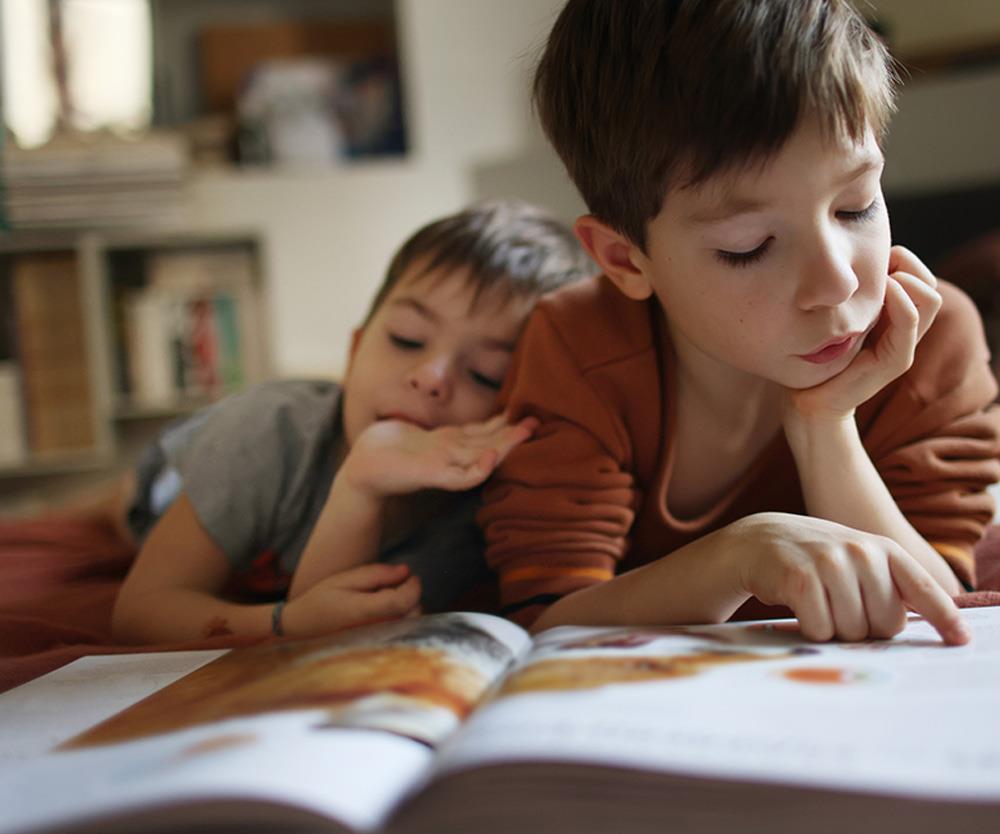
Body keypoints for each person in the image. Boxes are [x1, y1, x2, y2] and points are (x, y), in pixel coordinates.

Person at [478, 0, 1000, 645]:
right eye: (748, 246)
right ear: (625, 259)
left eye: (856, 207)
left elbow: (942, 604)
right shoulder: (577, 346)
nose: (837, 281)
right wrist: (735, 558)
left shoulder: (933, 333)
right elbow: (547, 617)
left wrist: (824, 425)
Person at [111, 199, 594, 644]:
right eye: (407, 339)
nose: (430, 378)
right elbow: (139, 612)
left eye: (485, 375)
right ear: (356, 347)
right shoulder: (266, 437)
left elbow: (332, 623)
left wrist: (361, 484)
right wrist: (280, 622)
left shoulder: (479, 518)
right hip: (190, 461)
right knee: (131, 498)